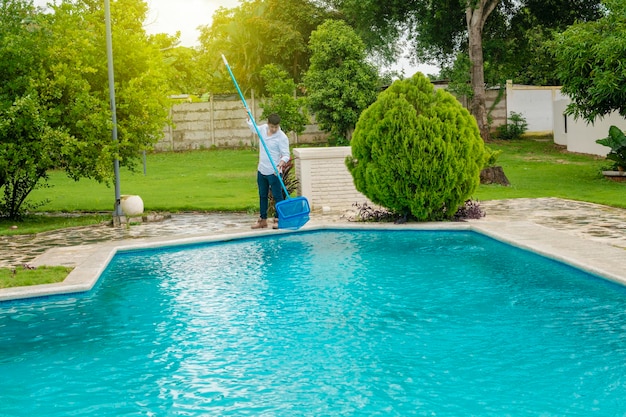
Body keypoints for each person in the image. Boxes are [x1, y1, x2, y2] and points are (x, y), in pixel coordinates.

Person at [247, 113, 290, 229]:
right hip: (262, 170)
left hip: (274, 172)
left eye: (276, 127)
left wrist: (280, 165)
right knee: (262, 195)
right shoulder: (262, 129)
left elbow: (286, 155)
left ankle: (278, 219)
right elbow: (253, 128)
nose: (274, 129)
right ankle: (263, 220)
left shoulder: (282, 137)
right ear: (268, 124)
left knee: (278, 196)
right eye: (272, 127)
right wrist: (249, 116)